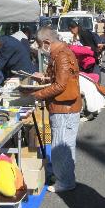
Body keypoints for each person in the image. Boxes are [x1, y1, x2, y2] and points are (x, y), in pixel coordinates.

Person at [31, 27, 82, 193]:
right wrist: (45, 78)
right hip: (65, 107)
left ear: (47, 42)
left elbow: (60, 85)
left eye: (40, 45)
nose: (40, 49)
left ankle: (65, 181)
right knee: (65, 145)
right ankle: (66, 178)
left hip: (64, 108)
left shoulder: (61, 56)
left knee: (61, 146)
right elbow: (60, 80)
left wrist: (37, 95)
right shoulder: (62, 53)